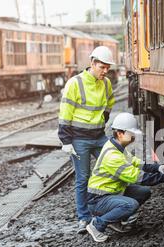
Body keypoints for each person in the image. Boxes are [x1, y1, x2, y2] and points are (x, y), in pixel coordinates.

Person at [85, 112, 164, 242]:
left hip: (111, 193)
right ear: (119, 133)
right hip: (98, 200)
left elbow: (136, 162)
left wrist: (157, 168)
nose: (134, 137)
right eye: (131, 134)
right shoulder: (113, 156)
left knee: (144, 192)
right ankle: (97, 225)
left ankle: (115, 219)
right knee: (130, 205)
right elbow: (137, 177)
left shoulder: (117, 147)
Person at [58, 46, 116, 234]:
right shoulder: (75, 83)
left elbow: (109, 102)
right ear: (92, 63)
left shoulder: (106, 83)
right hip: (79, 139)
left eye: (108, 68)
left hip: (99, 136)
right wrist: (66, 141)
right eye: (102, 67)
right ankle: (84, 218)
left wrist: (102, 120)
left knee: (113, 169)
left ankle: (109, 210)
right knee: (83, 179)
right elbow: (66, 112)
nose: (105, 71)